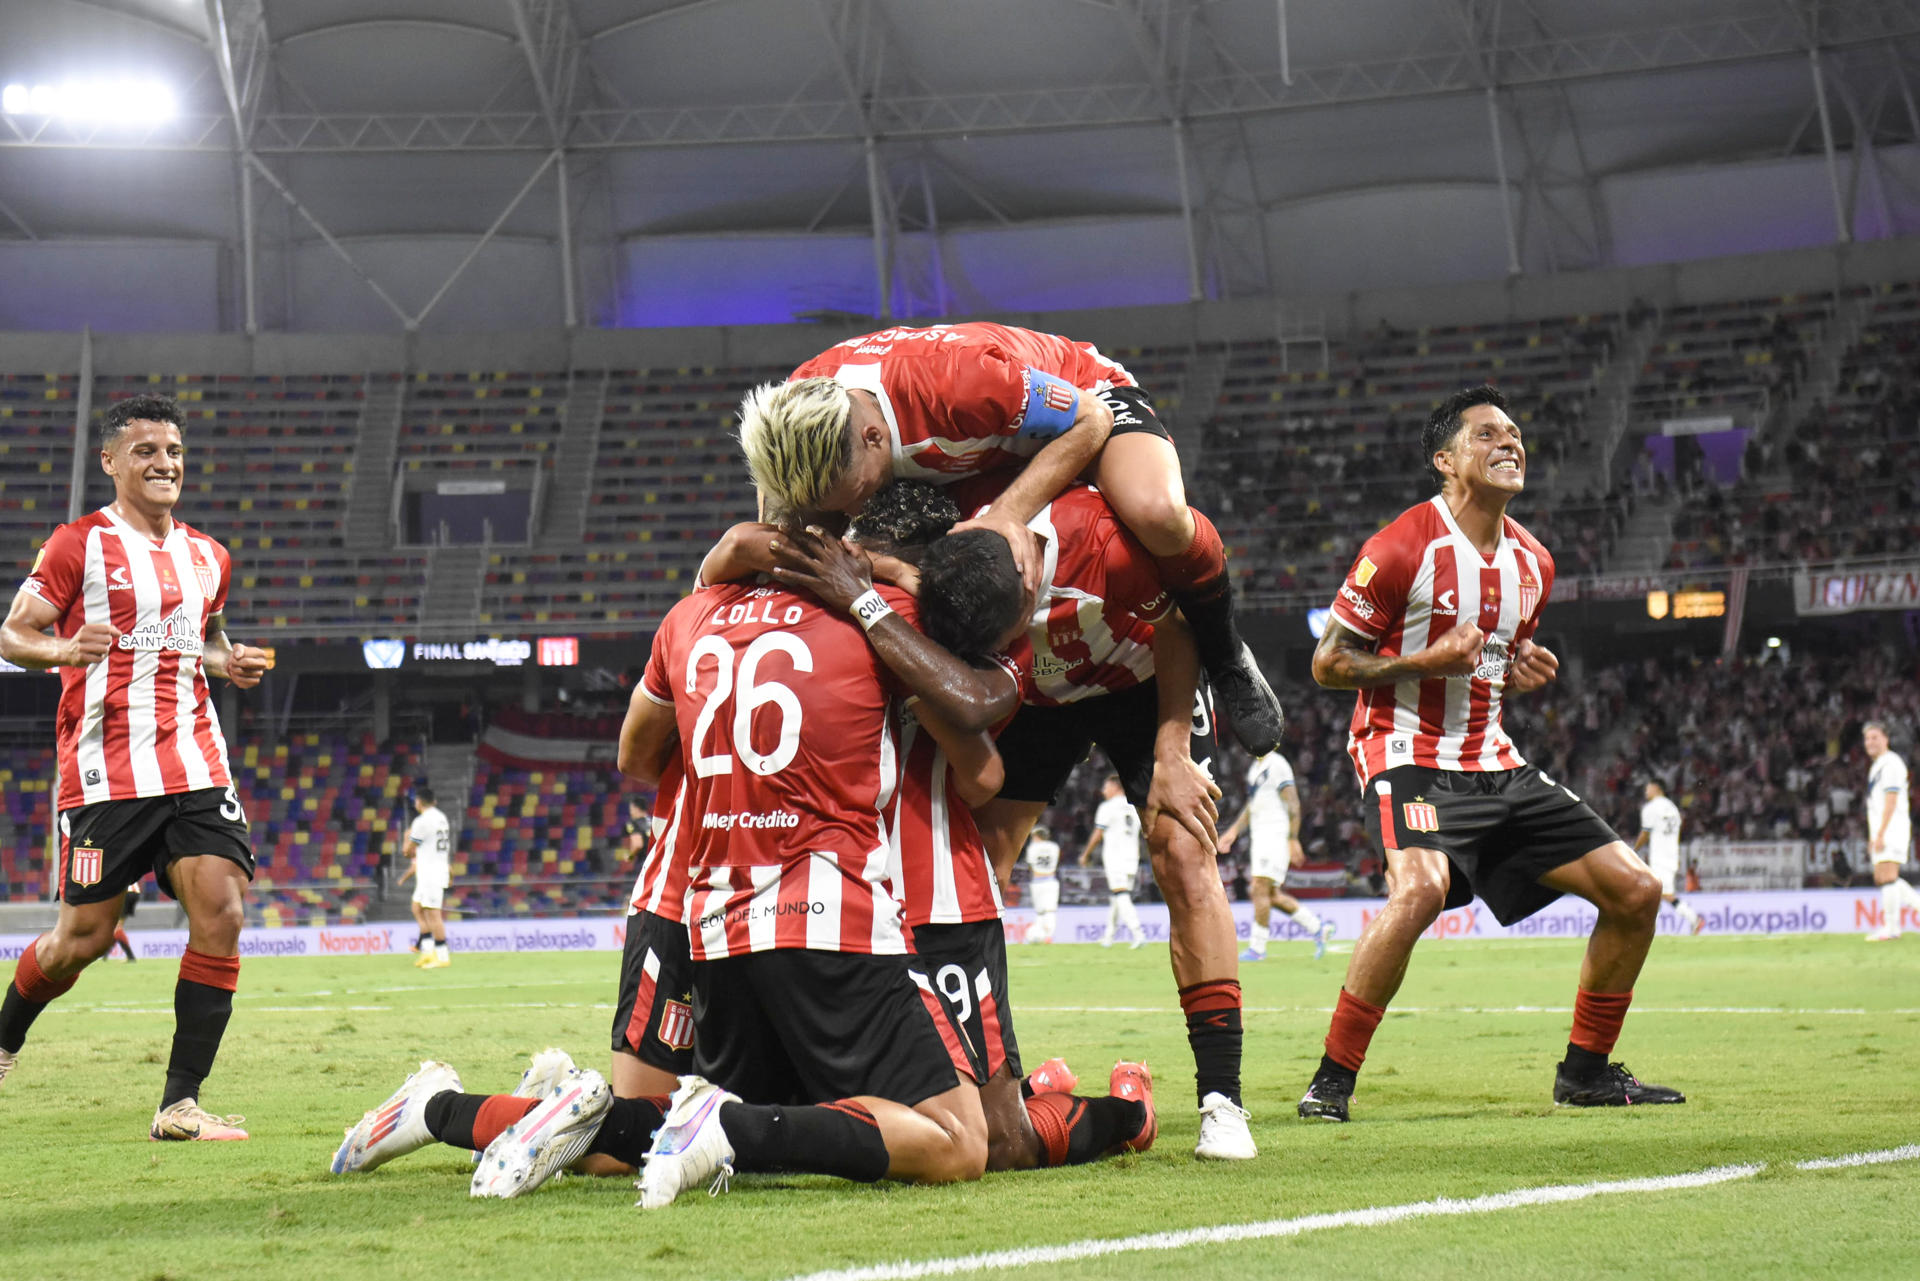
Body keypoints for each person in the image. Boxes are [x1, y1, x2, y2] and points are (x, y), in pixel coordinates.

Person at [792, 481, 1254, 1160]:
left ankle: (1222, 1099)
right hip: (1036, 692)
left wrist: (1171, 748)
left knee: (1183, 852)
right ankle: (998, 1080)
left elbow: (1178, 619)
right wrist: (880, 568)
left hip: (1138, 678)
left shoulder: (1103, 543)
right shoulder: (959, 558)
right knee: (982, 862)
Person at [1296, 385, 1683, 1123]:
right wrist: (1424, 661)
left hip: (1494, 760)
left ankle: (1586, 1073)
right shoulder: (1402, 545)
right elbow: (1328, 663)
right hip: (1406, 749)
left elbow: (1496, 654)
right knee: (1418, 890)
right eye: (1485, 435)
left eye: (1513, 432)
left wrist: (1522, 663)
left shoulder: (1535, 562)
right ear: (1446, 461)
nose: (1509, 442)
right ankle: (1331, 1081)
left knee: (1637, 892)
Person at [615, 556, 995, 1210]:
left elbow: (634, 758)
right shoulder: (874, 616)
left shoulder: (689, 614)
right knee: (963, 1138)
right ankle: (722, 1127)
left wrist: (718, 560)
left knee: (638, 1124)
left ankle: (455, 1112)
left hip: (710, 915)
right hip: (832, 912)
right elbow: (983, 766)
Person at [735, 321, 1285, 756]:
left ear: (874, 437)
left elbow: (1088, 421)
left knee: (1158, 512)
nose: (854, 512)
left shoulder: (958, 381)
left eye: (853, 493)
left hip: (1082, 397)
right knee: (826, 561)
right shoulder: (794, 427)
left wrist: (1005, 515)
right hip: (978, 453)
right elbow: (782, 544)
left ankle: (1226, 648)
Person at [0, 394, 268, 1140]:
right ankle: (4, 1037)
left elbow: (206, 639)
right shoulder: (77, 545)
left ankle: (179, 1102)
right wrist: (62, 648)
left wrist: (229, 660)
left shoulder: (209, 555)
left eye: (174, 450)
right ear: (111, 461)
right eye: (146, 450)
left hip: (195, 763)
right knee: (79, 941)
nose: (165, 463)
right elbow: (13, 635)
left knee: (223, 912)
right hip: (105, 774)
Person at [1217, 750, 1335, 961]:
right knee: (1270, 895)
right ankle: (1318, 927)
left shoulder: (1278, 764)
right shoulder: (1255, 768)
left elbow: (1293, 802)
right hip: (1260, 836)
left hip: (1275, 834)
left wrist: (1292, 838)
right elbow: (1252, 806)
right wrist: (1233, 832)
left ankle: (1257, 948)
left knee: (1258, 887)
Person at [1863, 720, 1918, 942]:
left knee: (1887, 876)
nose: (1870, 743)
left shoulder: (1891, 764)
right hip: (1883, 828)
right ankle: (1892, 926)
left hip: (1892, 828)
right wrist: (1874, 833)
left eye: (1875, 737)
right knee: (1883, 877)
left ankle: (1892, 927)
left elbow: (1891, 800)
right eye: (1867, 739)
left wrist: (1881, 833)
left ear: (1885, 739)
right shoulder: (1877, 766)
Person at [1082, 775, 1146, 949]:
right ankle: (1109, 937)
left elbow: (1098, 833)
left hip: (1115, 857)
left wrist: (1085, 854)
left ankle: (1138, 933)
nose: (1104, 791)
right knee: (1118, 896)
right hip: (1132, 856)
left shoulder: (1107, 807)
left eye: (1106, 787)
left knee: (1121, 895)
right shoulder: (1134, 807)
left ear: (1115, 787)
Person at [1634, 779, 1703, 935]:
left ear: (1657, 788)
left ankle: (1694, 919)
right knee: (1655, 894)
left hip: (1660, 857)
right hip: (1671, 855)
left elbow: (1645, 833)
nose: (1646, 792)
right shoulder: (1672, 808)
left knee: (1663, 894)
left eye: (1648, 788)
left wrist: (1634, 849)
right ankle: (1650, 930)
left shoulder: (1650, 808)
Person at [398, 785, 453, 969]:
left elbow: (408, 852)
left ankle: (442, 956)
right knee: (418, 907)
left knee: (432, 913)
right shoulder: (441, 817)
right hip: (434, 869)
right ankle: (428, 953)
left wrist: (406, 837)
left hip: (430, 873)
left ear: (418, 803)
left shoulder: (422, 821)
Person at [1022, 825, 1062, 944]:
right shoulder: (1054, 847)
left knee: (1040, 911)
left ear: (1036, 836)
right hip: (1051, 880)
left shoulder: (1032, 848)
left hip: (1037, 881)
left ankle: (1040, 935)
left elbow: (1030, 865)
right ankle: (1048, 936)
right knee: (1050, 910)